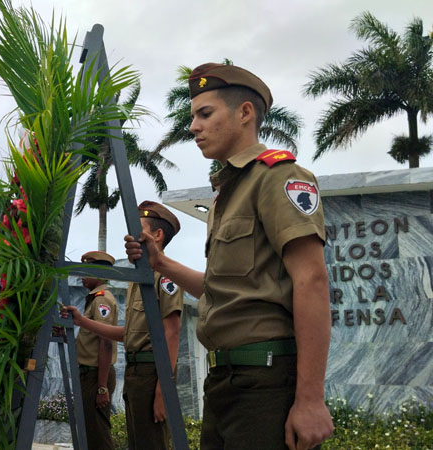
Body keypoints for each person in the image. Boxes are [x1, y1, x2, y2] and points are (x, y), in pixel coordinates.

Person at [124, 63, 334, 450]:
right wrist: (161, 263)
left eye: (205, 114)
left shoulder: (279, 177)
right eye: (192, 117)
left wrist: (310, 399)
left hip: (266, 382)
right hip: (224, 382)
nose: (193, 127)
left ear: (244, 113)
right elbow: (223, 291)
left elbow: (312, 280)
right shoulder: (226, 195)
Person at [64, 201, 183, 450]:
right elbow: (126, 333)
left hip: (152, 374)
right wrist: (82, 321)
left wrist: (163, 391)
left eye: (139, 230)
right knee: (138, 442)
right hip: (136, 374)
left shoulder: (165, 278)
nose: (130, 237)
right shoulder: (136, 281)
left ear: (157, 235)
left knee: (151, 443)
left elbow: (172, 334)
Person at [74, 250, 118, 450]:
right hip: (89, 375)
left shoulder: (102, 299)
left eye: (86, 271)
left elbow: (106, 341)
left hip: (96, 376)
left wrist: (102, 387)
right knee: (90, 433)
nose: (82, 276)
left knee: (98, 435)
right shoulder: (93, 299)